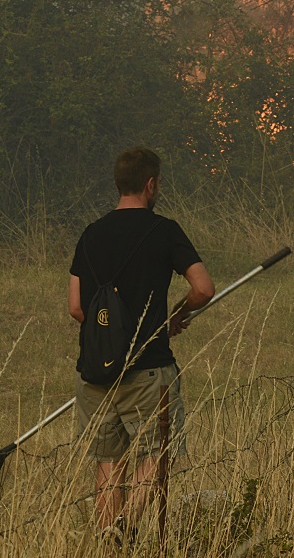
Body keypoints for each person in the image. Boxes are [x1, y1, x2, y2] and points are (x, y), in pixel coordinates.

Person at [67, 147, 214, 538]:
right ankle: (125, 526)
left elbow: (77, 309)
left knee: (107, 463)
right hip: (149, 368)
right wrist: (175, 316)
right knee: (157, 454)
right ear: (151, 185)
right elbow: (202, 288)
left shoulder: (91, 234)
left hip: (96, 371)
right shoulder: (164, 231)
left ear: (119, 183)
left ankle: (107, 541)